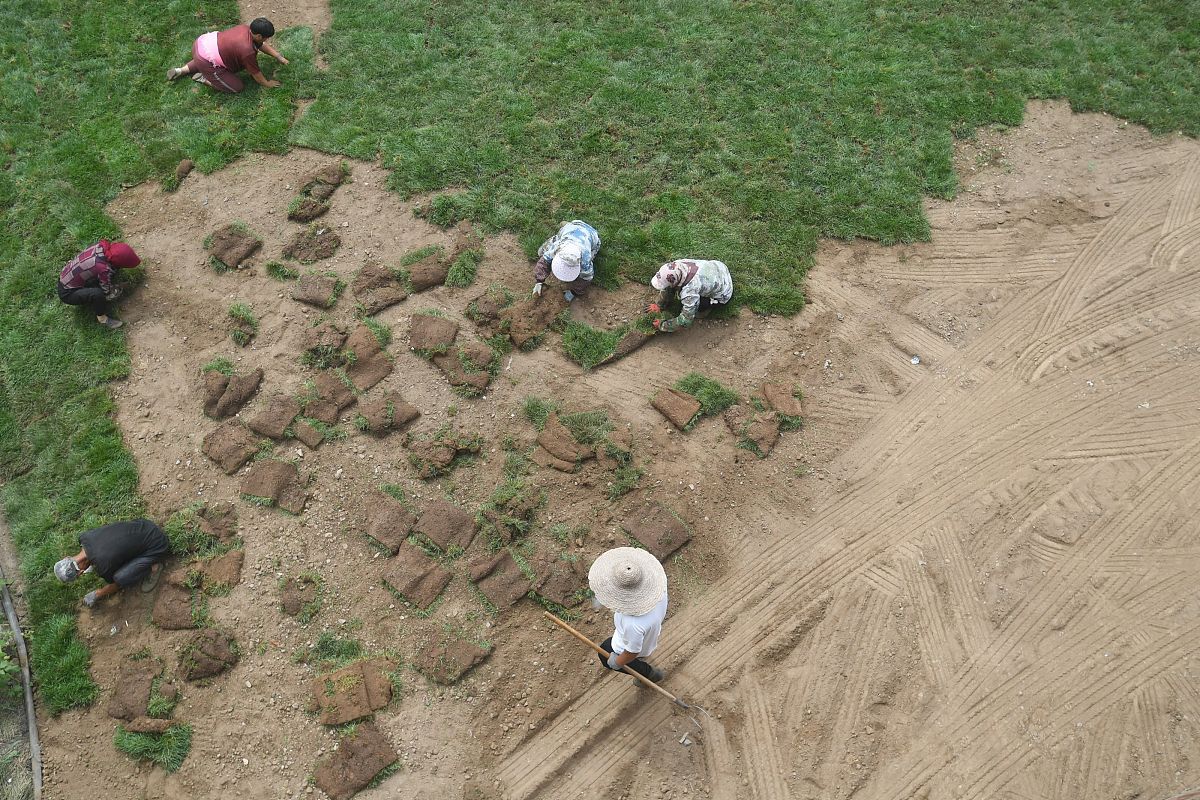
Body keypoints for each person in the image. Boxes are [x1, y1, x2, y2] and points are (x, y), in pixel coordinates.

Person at [588, 547, 668, 683]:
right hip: (651, 631)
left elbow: (632, 651)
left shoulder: (633, 624)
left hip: (635, 646)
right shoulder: (659, 586)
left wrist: (617, 662)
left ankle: (648, 674)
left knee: (605, 652)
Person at [53, 519, 170, 608]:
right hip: (145, 525)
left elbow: (116, 585)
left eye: (79, 575)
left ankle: (154, 567)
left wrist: (98, 594)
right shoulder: (84, 538)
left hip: (158, 544)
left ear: (80, 572)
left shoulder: (103, 566)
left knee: (121, 577)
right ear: (66, 557)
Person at [165, 18, 288, 93]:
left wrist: (278, 56)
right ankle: (204, 78)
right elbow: (256, 74)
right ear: (259, 36)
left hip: (203, 44)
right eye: (266, 37)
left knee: (204, 59)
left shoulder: (245, 28)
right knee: (236, 87)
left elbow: (260, 45)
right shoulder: (247, 51)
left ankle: (180, 70)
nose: (266, 40)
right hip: (205, 59)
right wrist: (266, 83)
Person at [57, 240, 141, 330]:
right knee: (98, 294)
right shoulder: (104, 269)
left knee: (105, 275)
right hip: (67, 293)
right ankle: (102, 318)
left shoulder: (100, 247)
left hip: (66, 277)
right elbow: (107, 291)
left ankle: (89, 286)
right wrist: (119, 288)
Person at [646, 259, 734, 333]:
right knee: (671, 285)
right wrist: (659, 305)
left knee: (697, 309)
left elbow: (685, 321)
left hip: (723, 292)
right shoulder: (677, 265)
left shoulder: (689, 292)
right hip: (719, 267)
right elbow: (668, 285)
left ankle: (705, 310)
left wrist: (662, 325)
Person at [532, 220, 601, 302]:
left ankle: (571, 226)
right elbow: (544, 261)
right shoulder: (558, 246)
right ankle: (567, 225)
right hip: (571, 229)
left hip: (592, 235)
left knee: (592, 255)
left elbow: (586, 278)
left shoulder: (585, 259)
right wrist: (539, 281)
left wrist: (574, 292)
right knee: (541, 252)